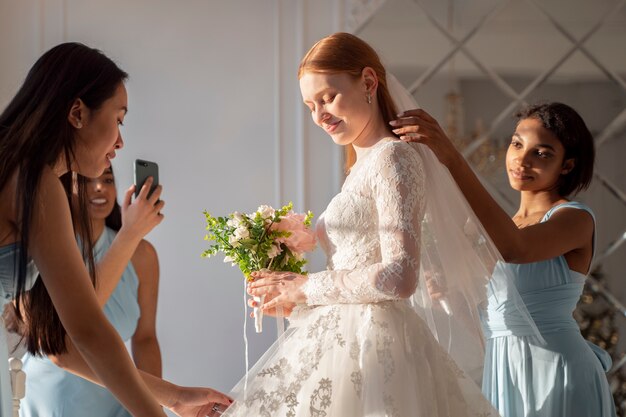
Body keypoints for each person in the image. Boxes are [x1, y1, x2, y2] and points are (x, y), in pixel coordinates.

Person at [221, 32, 510, 417]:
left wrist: (305, 286)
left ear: (369, 83)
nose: (319, 115)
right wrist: (293, 304)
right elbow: (356, 279)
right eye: (310, 105)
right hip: (347, 341)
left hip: (378, 351)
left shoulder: (393, 158)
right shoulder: (361, 167)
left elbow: (400, 276)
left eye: (327, 98)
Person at [0, 42, 231, 417]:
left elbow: (66, 341)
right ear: (77, 112)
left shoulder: (28, 176)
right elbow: (88, 331)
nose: (120, 141)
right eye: (119, 118)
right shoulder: (33, 183)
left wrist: (172, 395)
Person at [390, 102, 616, 416]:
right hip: (503, 367)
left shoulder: (574, 219)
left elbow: (516, 249)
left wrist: (453, 158)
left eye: (542, 153)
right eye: (517, 144)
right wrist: (451, 296)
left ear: (567, 165)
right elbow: (492, 318)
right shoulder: (502, 229)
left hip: (556, 369)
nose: (521, 160)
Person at [19, 167, 162, 416]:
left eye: (107, 180)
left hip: (117, 396)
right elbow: (72, 330)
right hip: (52, 398)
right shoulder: (45, 248)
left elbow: (145, 337)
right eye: (86, 181)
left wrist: (152, 403)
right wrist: (130, 234)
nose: (99, 188)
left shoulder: (142, 256)